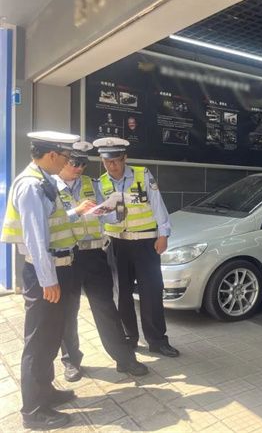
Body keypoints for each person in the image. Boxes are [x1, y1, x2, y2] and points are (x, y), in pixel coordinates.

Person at [0, 131, 90, 429]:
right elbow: (36, 238)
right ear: (52, 155)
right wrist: (48, 280)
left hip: (56, 269)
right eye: (66, 157)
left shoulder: (44, 181)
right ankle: (34, 410)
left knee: (51, 336)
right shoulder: (31, 185)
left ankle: (45, 391)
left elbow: (54, 222)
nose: (67, 162)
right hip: (44, 273)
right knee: (38, 341)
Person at [53, 142, 149, 382]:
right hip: (67, 257)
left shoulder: (91, 184)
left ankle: (125, 359)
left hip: (94, 255)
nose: (79, 168)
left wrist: (116, 209)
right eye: (75, 163)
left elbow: (107, 216)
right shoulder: (49, 188)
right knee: (68, 311)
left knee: (106, 308)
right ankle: (71, 361)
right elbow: (49, 223)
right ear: (62, 161)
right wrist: (76, 211)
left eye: (84, 163)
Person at [92, 137, 179, 357]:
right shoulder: (100, 183)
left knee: (151, 292)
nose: (112, 166)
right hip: (116, 244)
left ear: (125, 158)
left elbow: (158, 204)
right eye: (107, 161)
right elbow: (100, 216)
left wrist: (163, 234)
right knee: (121, 293)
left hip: (145, 242)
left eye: (116, 160)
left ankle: (157, 340)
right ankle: (129, 337)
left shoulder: (143, 174)